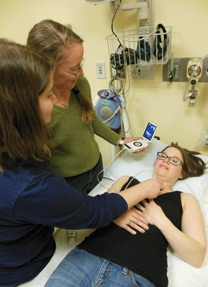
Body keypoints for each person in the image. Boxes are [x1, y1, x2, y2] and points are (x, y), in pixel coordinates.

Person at [0, 39, 162, 287]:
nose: (54, 101)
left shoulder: (16, 148)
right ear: (21, 109)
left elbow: (90, 119)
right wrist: (145, 188)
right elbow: (92, 212)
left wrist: (118, 144)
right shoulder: (30, 184)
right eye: (46, 95)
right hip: (23, 266)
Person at [45, 143, 207, 287]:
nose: (166, 160)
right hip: (86, 259)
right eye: (163, 156)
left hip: (139, 275)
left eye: (174, 160)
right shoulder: (126, 181)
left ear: (181, 173)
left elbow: (197, 257)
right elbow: (93, 215)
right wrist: (115, 215)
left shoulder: (184, 200)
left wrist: (161, 220)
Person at [26, 19, 145, 195]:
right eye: (74, 68)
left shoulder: (80, 84)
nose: (81, 73)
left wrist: (119, 141)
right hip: (68, 182)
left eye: (81, 64)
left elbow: (90, 118)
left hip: (95, 167)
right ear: (47, 68)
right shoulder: (36, 107)